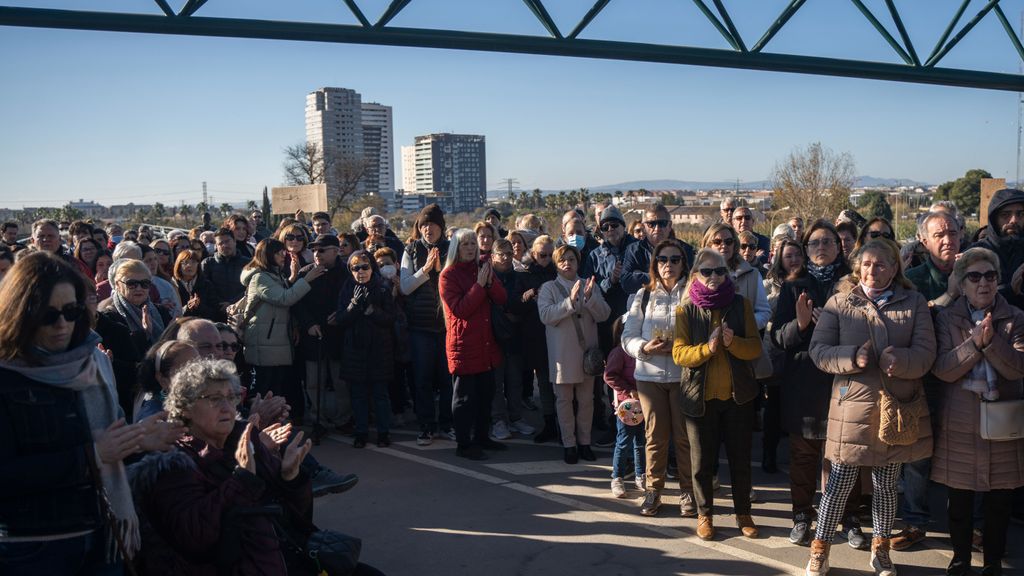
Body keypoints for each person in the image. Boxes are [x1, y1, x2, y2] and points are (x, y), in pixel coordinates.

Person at [0, 252, 176, 574]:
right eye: (47, 315)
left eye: (71, 311)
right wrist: (91, 456)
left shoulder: (94, 363)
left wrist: (139, 439)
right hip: (32, 547)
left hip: (104, 534)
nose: (62, 324)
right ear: (20, 312)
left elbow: (110, 446)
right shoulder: (7, 374)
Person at [806, 238, 936, 576]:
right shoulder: (839, 302)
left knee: (886, 486)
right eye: (866, 264)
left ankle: (880, 551)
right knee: (838, 484)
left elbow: (926, 352)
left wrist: (902, 361)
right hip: (852, 409)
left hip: (895, 409)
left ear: (894, 268)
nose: (873, 270)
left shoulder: (915, 302)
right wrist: (852, 357)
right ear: (857, 267)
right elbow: (818, 351)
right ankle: (820, 548)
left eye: (881, 264)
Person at [134, 358, 317, 574]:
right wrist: (242, 479)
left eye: (231, 398)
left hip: (284, 561)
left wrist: (291, 478)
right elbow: (195, 537)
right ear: (185, 408)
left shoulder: (246, 439)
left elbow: (296, 515)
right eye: (214, 399)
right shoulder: (173, 462)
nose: (226, 407)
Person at [770, 221, 866, 548]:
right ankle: (801, 516)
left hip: (844, 384)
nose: (820, 248)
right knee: (803, 456)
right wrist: (799, 324)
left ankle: (849, 518)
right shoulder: (794, 286)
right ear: (805, 249)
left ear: (840, 247)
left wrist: (835, 322)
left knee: (845, 456)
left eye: (827, 242)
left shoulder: (854, 286)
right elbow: (778, 338)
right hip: (805, 385)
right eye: (813, 243)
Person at [932, 247, 1024, 576]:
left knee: (1000, 502)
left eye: (990, 276)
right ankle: (960, 560)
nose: (983, 283)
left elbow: (1017, 368)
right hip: (960, 420)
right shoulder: (947, 317)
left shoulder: (1015, 317)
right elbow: (943, 368)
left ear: (998, 281)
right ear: (962, 283)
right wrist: (974, 345)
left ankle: (993, 563)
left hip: (1003, 419)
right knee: (959, 501)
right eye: (974, 277)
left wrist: (991, 343)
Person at [672, 248, 762, 541]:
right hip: (700, 398)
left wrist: (732, 343)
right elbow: (679, 354)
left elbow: (755, 349)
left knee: (740, 460)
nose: (714, 277)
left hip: (738, 397)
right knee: (701, 464)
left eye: (720, 271)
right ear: (696, 274)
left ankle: (743, 514)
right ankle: (704, 514)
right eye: (707, 271)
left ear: (728, 273)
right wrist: (707, 349)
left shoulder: (741, 304)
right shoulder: (685, 310)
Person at [894, 210, 962, 551]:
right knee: (918, 452)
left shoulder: (979, 269)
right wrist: (948, 296)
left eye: (953, 232)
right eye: (940, 234)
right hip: (925, 375)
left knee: (966, 451)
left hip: (969, 375)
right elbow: (908, 321)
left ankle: (969, 526)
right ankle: (915, 521)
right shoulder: (915, 279)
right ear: (924, 241)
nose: (948, 239)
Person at [622, 239, 696, 517]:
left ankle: (688, 491)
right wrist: (643, 348)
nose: (668, 265)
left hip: (682, 375)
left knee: (683, 437)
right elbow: (627, 335)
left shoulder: (691, 294)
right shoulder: (643, 295)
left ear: (683, 263)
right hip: (649, 375)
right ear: (654, 264)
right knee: (655, 436)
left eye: (675, 259)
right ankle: (654, 491)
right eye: (663, 259)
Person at [438, 229, 507, 460]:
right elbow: (461, 310)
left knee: (486, 395)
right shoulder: (448, 275)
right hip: (464, 345)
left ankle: (482, 438)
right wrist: (478, 285)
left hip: (486, 343)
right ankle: (464, 444)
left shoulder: (483, 267)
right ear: (456, 247)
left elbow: (501, 298)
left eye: (472, 243)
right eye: (464, 243)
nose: (469, 247)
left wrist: (488, 283)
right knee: (464, 399)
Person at [538, 244, 610, 463]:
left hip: (587, 356)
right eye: (562, 260)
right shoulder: (548, 288)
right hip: (562, 356)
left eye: (571, 259)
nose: (567, 263)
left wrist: (590, 299)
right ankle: (569, 444)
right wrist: (569, 302)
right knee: (564, 400)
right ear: (556, 264)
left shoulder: (590, 285)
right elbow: (546, 315)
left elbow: (604, 315)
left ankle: (585, 442)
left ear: (578, 262)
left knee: (586, 401)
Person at [240, 239, 324, 403]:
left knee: (276, 388)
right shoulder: (260, 278)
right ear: (267, 255)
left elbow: (283, 292)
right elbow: (284, 298)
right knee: (263, 389)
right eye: (278, 252)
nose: (282, 255)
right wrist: (306, 279)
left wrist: (292, 278)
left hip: (274, 342)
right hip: (264, 341)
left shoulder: (274, 275)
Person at [400, 204, 454, 445]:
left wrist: (441, 269)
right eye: (423, 225)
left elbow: (456, 281)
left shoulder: (452, 248)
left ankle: (446, 423)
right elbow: (405, 286)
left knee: (447, 379)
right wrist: (425, 270)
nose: (427, 229)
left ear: (441, 227)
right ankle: (426, 426)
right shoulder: (410, 249)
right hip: (420, 327)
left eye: (432, 225)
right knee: (422, 379)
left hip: (447, 326)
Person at [337, 250, 396, 448]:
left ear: (372, 268)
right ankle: (361, 432)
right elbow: (340, 319)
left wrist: (374, 312)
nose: (360, 271)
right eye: (355, 268)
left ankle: (383, 433)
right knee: (358, 395)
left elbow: (391, 318)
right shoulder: (347, 287)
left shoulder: (382, 287)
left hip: (379, 350)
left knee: (380, 395)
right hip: (354, 350)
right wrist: (353, 306)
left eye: (365, 267)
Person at [294, 234, 351, 438]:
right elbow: (297, 303)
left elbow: (354, 299)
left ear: (336, 251)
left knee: (341, 382)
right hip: (313, 336)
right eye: (315, 250)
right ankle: (318, 419)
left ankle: (343, 419)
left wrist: (343, 315)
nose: (317, 254)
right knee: (313, 382)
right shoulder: (305, 272)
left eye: (322, 250)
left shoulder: (347, 272)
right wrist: (308, 324)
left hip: (339, 335)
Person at [511, 235, 558, 441]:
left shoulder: (559, 271)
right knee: (545, 383)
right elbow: (515, 304)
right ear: (533, 253)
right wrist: (531, 295)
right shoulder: (523, 272)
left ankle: (566, 423)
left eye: (550, 255)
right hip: (536, 334)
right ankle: (549, 423)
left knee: (564, 384)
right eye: (542, 255)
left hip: (559, 333)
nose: (546, 258)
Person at [489, 239, 534, 439]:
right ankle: (498, 420)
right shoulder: (486, 278)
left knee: (515, 381)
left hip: (516, 336)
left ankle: (516, 417)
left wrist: (517, 308)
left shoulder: (520, 277)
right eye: (501, 254)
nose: (506, 257)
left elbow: (526, 304)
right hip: (493, 337)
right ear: (492, 257)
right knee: (496, 383)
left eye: (509, 253)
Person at [702, 223, 771, 330]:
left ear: (734, 245)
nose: (724, 245)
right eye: (717, 242)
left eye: (729, 241)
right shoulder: (697, 275)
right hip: (705, 341)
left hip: (741, 341)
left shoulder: (753, 274)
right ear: (708, 246)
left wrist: (742, 324)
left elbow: (764, 312)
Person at [604, 316, 644, 498]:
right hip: (626, 406)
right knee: (623, 441)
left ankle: (640, 475)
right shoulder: (619, 352)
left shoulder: (642, 351)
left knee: (641, 442)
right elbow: (609, 376)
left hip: (644, 404)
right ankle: (617, 477)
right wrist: (629, 391)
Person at [623, 203, 694, 294]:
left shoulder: (684, 249)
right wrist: (666, 276)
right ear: (644, 227)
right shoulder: (634, 250)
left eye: (662, 223)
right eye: (651, 224)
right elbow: (627, 283)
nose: (657, 228)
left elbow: (689, 281)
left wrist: (640, 275)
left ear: (669, 226)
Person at [975, 188, 1024, 304]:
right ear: (994, 219)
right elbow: (970, 297)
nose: (1014, 220)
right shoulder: (978, 253)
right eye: (1005, 215)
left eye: (1021, 214)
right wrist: (1010, 290)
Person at [134, 340, 199, 422]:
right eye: (187, 370)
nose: (198, 375)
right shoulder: (153, 419)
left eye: (199, 367)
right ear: (163, 380)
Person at [196, 227, 250, 322]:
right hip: (215, 315)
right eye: (220, 243)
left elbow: (250, 288)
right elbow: (204, 288)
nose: (224, 245)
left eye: (227, 241)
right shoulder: (208, 264)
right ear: (216, 246)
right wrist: (220, 304)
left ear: (234, 241)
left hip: (241, 314)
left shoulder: (247, 263)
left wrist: (232, 303)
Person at [142, 245, 183, 319]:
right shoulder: (131, 286)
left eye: (155, 259)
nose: (153, 263)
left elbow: (178, 313)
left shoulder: (165, 285)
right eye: (148, 260)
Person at [172, 249, 207, 317]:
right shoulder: (173, 285)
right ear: (178, 266)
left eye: (193, 262)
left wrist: (198, 306)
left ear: (198, 264)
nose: (189, 265)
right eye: (185, 262)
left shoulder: (206, 284)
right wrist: (187, 307)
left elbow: (214, 311)